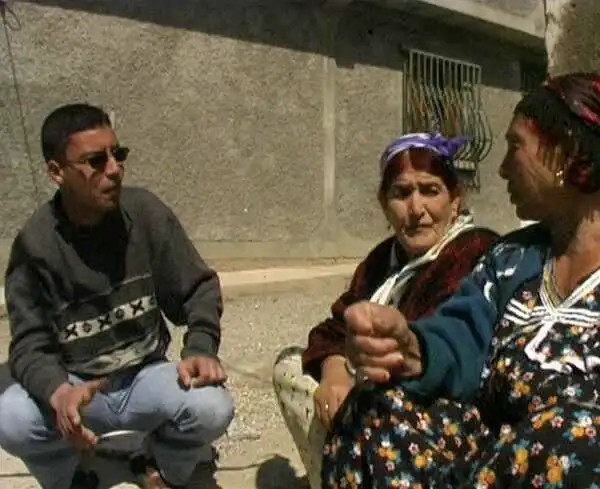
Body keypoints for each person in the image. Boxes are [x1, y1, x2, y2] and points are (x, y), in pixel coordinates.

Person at [323, 71, 600, 489]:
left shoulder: (471, 246)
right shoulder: (510, 260)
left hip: (570, 462)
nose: (503, 170)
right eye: (400, 193)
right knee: (376, 407)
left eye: (514, 148)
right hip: (487, 454)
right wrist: (412, 348)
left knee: (572, 439)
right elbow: (460, 332)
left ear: (565, 152)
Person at [0, 103, 234, 489]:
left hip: (145, 375)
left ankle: (161, 465)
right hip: (77, 386)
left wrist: (201, 348)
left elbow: (198, 288)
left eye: (117, 154)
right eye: (95, 160)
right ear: (57, 172)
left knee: (213, 407)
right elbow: (28, 345)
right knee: (10, 418)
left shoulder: (144, 214)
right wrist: (57, 392)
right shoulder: (35, 247)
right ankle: (71, 475)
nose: (114, 169)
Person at [272, 133, 499, 489]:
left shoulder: (475, 251)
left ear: (455, 201)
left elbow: (439, 353)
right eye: (401, 193)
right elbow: (332, 329)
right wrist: (334, 372)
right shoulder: (383, 260)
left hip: (441, 409)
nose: (416, 208)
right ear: (383, 204)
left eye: (430, 190)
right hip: (369, 387)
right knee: (289, 364)